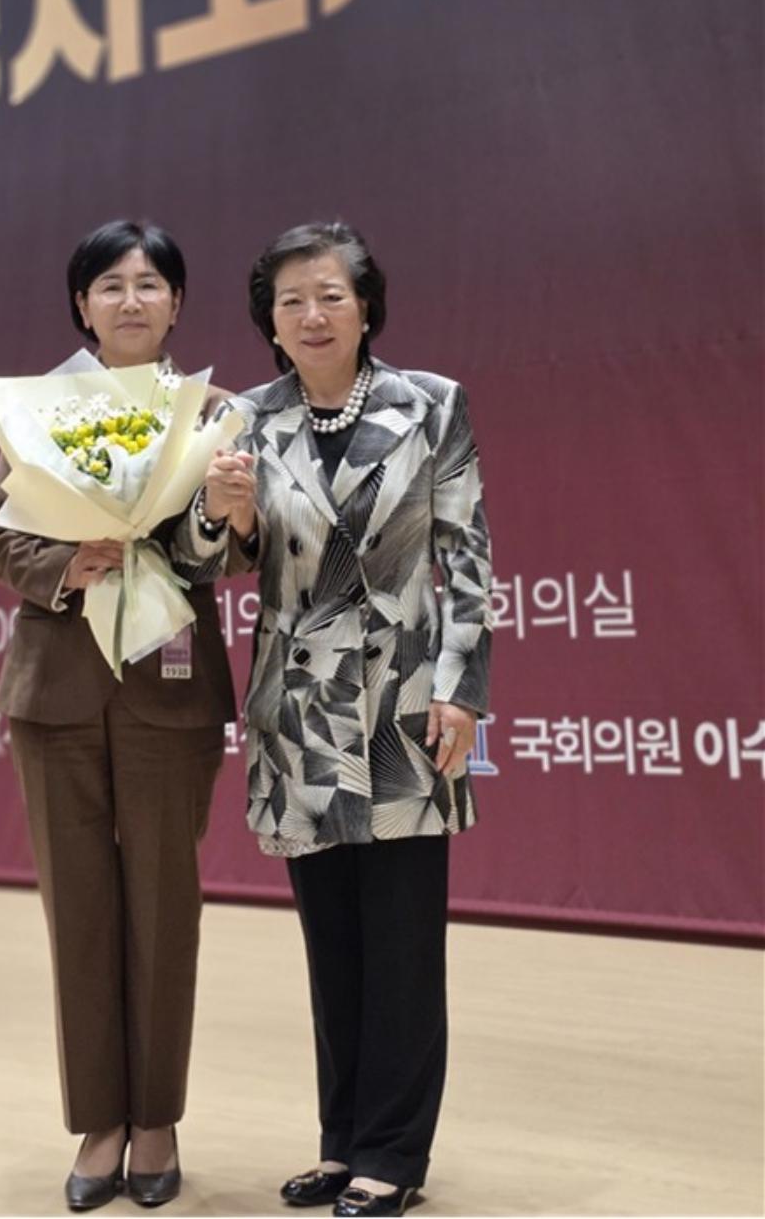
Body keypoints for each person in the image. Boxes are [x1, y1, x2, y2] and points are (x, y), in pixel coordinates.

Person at [175, 222, 493, 1218]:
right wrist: (224, 513)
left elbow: (468, 556)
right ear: (269, 323)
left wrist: (464, 686)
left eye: (330, 296)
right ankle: (343, 1138)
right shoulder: (243, 420)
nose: (312, 316)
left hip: (405, 704)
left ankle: (394, 1154)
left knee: (403, 937)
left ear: (367, 308)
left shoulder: (431, 405)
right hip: (299, 710)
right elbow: (204, 559)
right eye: (290, 302)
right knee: (333, 943)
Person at [0, 219, 234, 1212]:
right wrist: (64, 564)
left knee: (165, 911)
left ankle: (159, 1116)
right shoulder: (39, 412)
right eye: (110, 285)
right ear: (81, 304)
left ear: (177, 303)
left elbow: (230, 551)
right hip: (54, 692)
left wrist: (218, 514)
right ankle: (98, 1121)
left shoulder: (211, 410)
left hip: (169, 692)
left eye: (150, 283)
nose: (131, 300)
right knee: (78, 913)